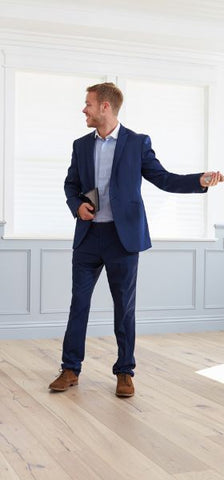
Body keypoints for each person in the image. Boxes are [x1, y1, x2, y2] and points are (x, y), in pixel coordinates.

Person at [48, 82, 223, 398]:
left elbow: (164, 179)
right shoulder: (81, 145)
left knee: (124, 309)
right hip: (88, 239)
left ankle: (125, 372)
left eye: (88, 104)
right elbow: (70, 185)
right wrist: (78, 207)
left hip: (122, 239)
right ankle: (70, 368)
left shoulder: (136, 143)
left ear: (105, 106)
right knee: (79, 304)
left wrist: (200, 181)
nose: (83, 109)